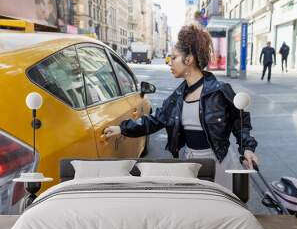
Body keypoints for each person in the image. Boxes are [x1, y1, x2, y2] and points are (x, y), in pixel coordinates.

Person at [103, 23, 258, 188]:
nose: (169, 62)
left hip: (219, 163)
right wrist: (122, 128)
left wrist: (247, 149)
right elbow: (155, 120)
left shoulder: (220, 91)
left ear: (189, 59)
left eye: (174, 57)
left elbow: (240, 122)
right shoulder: (177, 96)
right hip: (190, 163)